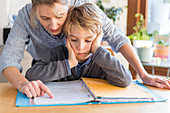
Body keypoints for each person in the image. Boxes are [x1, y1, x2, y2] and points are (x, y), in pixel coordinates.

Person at [0, 0, 170, 98]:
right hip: (48, 66)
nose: (53, 25)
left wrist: (143, 74)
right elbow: (9, 58)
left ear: (69, 6)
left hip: (90, 65)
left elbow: (117, 38)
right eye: (44, 18)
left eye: (60, 16)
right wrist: (23, 84)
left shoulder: (83, 10)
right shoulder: (25, 16)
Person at [25, 3, 132, 88]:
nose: (80, 46)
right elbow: (30, 76)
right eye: (74, 39)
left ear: (98, 38)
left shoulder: (102, 59)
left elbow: (125, 80)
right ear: (66, 37)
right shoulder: (57, 54)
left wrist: (97, 50)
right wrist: (69, 63)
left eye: (88, 40)